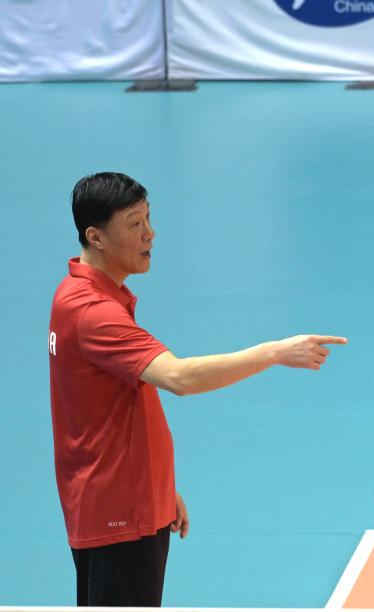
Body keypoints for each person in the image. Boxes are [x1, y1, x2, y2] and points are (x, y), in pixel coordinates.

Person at [49, 172, 347, 606]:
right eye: (134, 224)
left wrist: (157, 487)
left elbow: (104, 407)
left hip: (125, 500)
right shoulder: (94, 312)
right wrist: (274, 352)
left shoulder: (76, 292)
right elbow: (180, 377)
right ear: (96, 237)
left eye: (148, 218)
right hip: (119, 517)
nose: (150, 233)